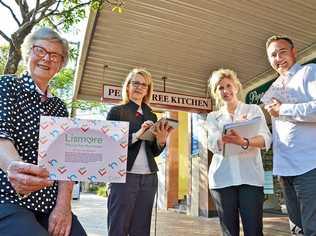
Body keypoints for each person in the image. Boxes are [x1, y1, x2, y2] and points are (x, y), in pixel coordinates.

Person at [0, 27, 86, 236]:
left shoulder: (59, 108)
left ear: (60, 65)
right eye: (40, 50)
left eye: (55, 55)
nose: (46, 58)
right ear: (28, 53)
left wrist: (64, 207)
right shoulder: (7, 86)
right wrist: (15, 169)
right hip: (8, 197)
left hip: (49, 202)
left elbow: (68, 162)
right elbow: (1, 136)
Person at [106, 68, 173, 236]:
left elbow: (154, 152)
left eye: (144, 85)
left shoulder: (152, 115)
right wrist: (137, 135)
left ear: (147, 90)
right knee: (118, 227)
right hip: (123, 176)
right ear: (127, 86)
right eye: (135, 83)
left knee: (142, 229)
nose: (139, 87)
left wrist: (161, 141)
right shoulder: (116, 112)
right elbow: (111, 146)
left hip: (149, 177)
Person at [206, 68, 271, 236]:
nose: (225, 90)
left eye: (228, 85)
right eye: (220, 88)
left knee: (254, 230)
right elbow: (211, 143)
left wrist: (244, 141)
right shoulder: (213, 117)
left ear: (236, 87)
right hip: (222, 179)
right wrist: (224, 138)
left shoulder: (253, 110)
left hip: (250, 178)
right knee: (229, 232)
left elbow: (265, 139)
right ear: (216, 93)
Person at [264, 35, 316, 235]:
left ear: (294, 52)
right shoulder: (274, 88)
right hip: (284, 170)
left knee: (312, 228)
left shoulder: (308, 72)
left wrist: (283, 109)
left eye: (282, 51)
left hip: (309, 166)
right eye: (273, 55)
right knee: (297, 229)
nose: (278, 58)